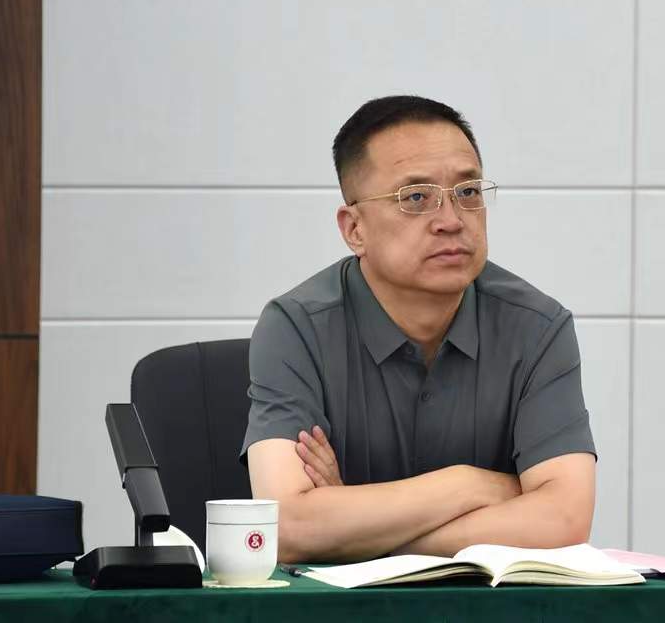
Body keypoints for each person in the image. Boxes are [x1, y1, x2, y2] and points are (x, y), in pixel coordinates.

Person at [241, 95, 596, 564]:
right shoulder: (295, 328)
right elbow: (286, 527)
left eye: (468, 192)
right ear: (354, 229)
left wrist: (357, 534)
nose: (451, 221)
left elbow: (564, 520)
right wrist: (469, 485)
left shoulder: (537, 328)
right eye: (415, 198)